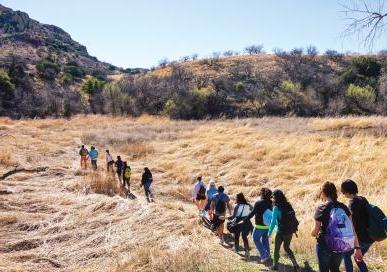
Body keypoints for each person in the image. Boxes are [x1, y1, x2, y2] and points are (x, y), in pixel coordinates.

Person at [312, 181, 363, 272]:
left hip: (324, 245)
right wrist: (357, 247)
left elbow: (315, 231)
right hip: (339, 245)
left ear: (323, 193)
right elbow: (352, 229)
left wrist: (312, 233)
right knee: (335, 269)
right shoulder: (343, 207)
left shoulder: (321, 208)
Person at [341, 179, 374, 272]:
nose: (343, 194)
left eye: (343, 192)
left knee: (346, 254)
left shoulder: (352, 203)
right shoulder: (363, 199)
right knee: (358, 258)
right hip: (370, 237)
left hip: (361, 238)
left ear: (346, 192)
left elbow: (348, 221)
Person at [269, 189, 300, 271]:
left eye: (273, 197)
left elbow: (272, 222)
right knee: (286, 247)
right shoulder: (288, 205)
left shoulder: (276, 208)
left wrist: (269, 233)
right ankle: (295, 264)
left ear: (275, 198)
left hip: (281, 232)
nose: (272, 199)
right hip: (290, 231)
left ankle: (275, 265)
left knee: (276, 249)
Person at [245, 187, 273, 263]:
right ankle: (268, 255)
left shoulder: (258, 203)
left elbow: (253, 213)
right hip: (267, 225)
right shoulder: (271, 203)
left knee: (256, 239)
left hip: (259, 226)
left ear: (262, 194)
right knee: (265, 240)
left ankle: (263, 256)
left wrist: (245, 219)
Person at [230, 193, 253, 258]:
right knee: (244, 237)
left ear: (238, 198)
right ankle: (247, 251)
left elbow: (234, 216)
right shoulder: (248, 205)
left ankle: (236, 249)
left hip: (238, 222)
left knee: (236, 236)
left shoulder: (237, 206)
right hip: (246, 221)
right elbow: (252, 210)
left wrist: (230, 219)